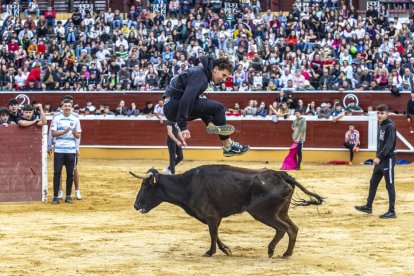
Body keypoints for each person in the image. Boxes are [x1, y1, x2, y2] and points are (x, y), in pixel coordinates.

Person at [163, 56, 250, 157]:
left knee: (206, 105)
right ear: (215, 69)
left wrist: (207, 121)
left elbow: (196, 103)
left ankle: (210, 124)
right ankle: (228, 145)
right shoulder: (201, 77)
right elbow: (187, 99)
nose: (224, 79)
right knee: (219, 108)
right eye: (224, 75)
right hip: (173, 104)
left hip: (171, 106)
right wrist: (183, 126)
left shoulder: (201, 74)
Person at [355, 104, 397, 219]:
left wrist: (380, 157)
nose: (379, 115)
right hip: (380, 160)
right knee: (373, 183)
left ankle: (392, 211)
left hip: (387, 159)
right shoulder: (382, 125)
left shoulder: (390, 126)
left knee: (390, 185)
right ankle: (368, 206)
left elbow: (389, 145)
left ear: (387, 114)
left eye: (382, 113)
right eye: (378, 113)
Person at [48, 95, 82, 200]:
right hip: (59, 148)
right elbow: (51, 132)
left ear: (71, 106)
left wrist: (77, 147)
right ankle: (59, 192)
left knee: (72, 171)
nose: (67, 107)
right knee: (58, 172)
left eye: (69, 105)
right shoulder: (56, 117)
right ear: (62, 106)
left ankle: (75, 191)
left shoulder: (75, 117)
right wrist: (50, 145)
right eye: (65, 105)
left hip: (71, 149)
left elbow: (78, 135)